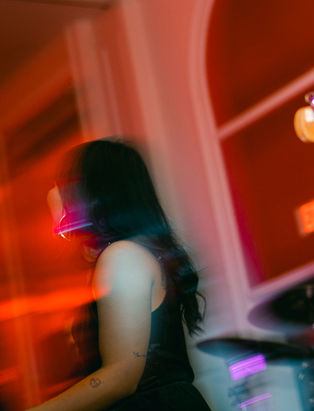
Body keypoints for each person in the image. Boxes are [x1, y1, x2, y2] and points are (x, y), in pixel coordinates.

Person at [30, 139, 211, 411]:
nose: (62, 192)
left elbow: (121, 376)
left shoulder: (123, 255)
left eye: (70, 184)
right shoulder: (137, 253)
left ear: (96, 190)